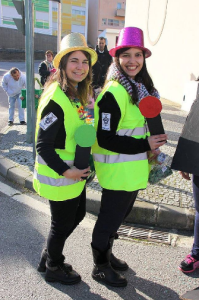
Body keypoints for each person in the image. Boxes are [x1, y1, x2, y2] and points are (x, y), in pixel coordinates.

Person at [91, 27, 167, 287]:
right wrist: (144, 143)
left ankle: (108, 255)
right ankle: (100, 266)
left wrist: (151, 147)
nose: (132, 61)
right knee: (108, 220)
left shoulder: (140, 87)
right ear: (117, 58)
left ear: (144, 58)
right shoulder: (113, 93)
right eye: (126, 55)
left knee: (119, 219)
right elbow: (105, 138)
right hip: (116, 172)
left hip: (133, 170)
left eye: (138, 55)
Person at [33, 32, 97, 285]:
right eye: (74, 61)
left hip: (75, 173)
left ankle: (49, 257)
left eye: (84, 62)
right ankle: (54, 267)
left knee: (77, 215)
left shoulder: (75, 93)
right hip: (61, 176)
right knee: (61, 225)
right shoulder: (56, 98)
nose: (80, 67)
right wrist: (66, 171)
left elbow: (79, 126)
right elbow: (43, 145)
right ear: (61, 64)